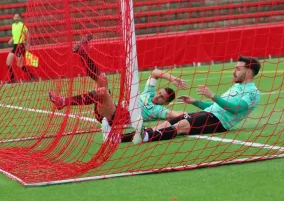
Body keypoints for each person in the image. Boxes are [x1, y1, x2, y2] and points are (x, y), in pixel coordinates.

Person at [115, 55, 261, 145]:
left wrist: (213, 95)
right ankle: (120, 138)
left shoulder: (253, 92)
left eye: (238, 69)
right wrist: (195, 102)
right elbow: (217, 106)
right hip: (210, 114)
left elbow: (235, 108)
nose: (234, 72)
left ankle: (146, 137)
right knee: (168, 122)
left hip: (219, 122)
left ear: (248, 72)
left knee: (182, 126)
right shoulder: (236, 87)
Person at [48, 34, 187, 128]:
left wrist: (197, 112)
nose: (158, 96)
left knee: (102, 91)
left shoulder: (159, 110)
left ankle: (63, 102)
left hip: (115, 117)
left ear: (166, 103)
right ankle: (83, 53)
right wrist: (173, 78)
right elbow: (155, 73)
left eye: (162, 97)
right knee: (102, 79)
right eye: (159, 93)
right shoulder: (149, 94)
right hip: (112, 108)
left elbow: (176, 115)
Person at [6, 13, 35, 82]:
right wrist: (11, 39)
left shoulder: (22, 25)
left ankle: (31, 75)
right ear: (13, 18)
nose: (16, 18)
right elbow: (16, 35)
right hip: (15, 45)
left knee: (20, 65)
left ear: (19, 18)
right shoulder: (13, 25)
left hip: (20, 45)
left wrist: (28, 44)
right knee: (8, 62)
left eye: (17, 17)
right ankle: (12, 78)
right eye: (15, 16)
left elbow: (27, 34)